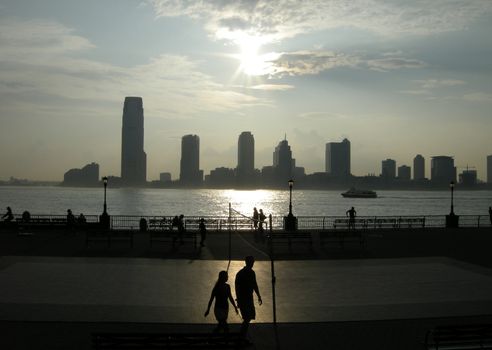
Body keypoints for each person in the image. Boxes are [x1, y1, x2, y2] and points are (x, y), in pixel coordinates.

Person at [235, 256, 262, 339]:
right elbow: (237, 288)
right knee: (247, 318)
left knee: (248, 317)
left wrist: (258, 295)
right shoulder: (242, 273)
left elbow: (254, 285)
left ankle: (242, 335)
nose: (252, 264)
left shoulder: (250, 273)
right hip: (244, 299)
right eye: (252, 262)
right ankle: (241, 336)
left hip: (249, 298)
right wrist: (239, 299)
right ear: (248, 262)